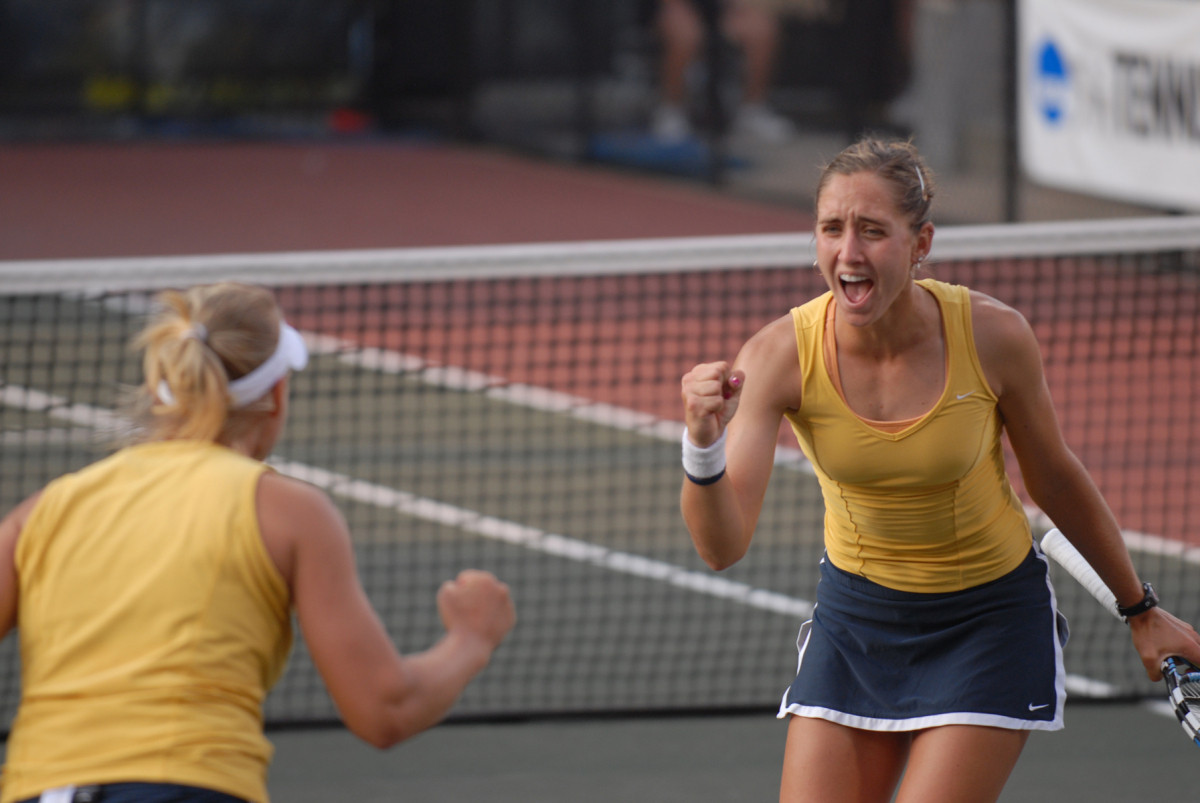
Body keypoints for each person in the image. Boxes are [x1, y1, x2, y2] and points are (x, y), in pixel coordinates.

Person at [678, 138, 1200, 801]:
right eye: (831, 229)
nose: (849, 252)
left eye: (873, 231)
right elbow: (721, 547)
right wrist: (701, 443)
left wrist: (1141, 608)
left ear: (921, 241)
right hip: (856, 623)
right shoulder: (778, 355)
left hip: (987, 626)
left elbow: (1055, 479)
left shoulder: (993, 336)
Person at [0, 282, 516, 803]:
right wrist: (470, 638)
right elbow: (385, 711)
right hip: (189, 788)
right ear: (275, 394)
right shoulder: (290, 513)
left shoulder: (43, 512)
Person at [649, 0, 799, 143]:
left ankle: (752, 110)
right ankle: (671, 111)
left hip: (720, 10)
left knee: (762, 29)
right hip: (677, 7)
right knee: (685, 35)